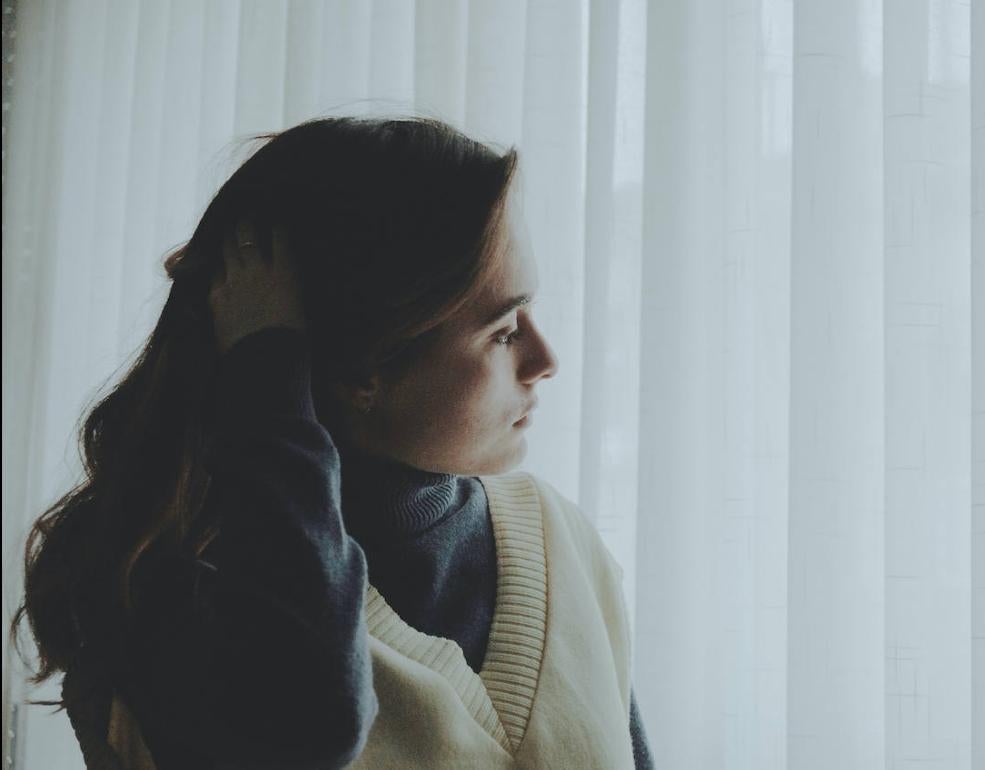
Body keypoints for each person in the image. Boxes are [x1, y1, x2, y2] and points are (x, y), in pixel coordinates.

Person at [12, 116, 655, 769]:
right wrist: (269, 374)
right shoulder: (190, 581)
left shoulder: (560, 541)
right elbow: (312, 727)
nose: (545, 358)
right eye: (502, 330)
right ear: (363, 373)